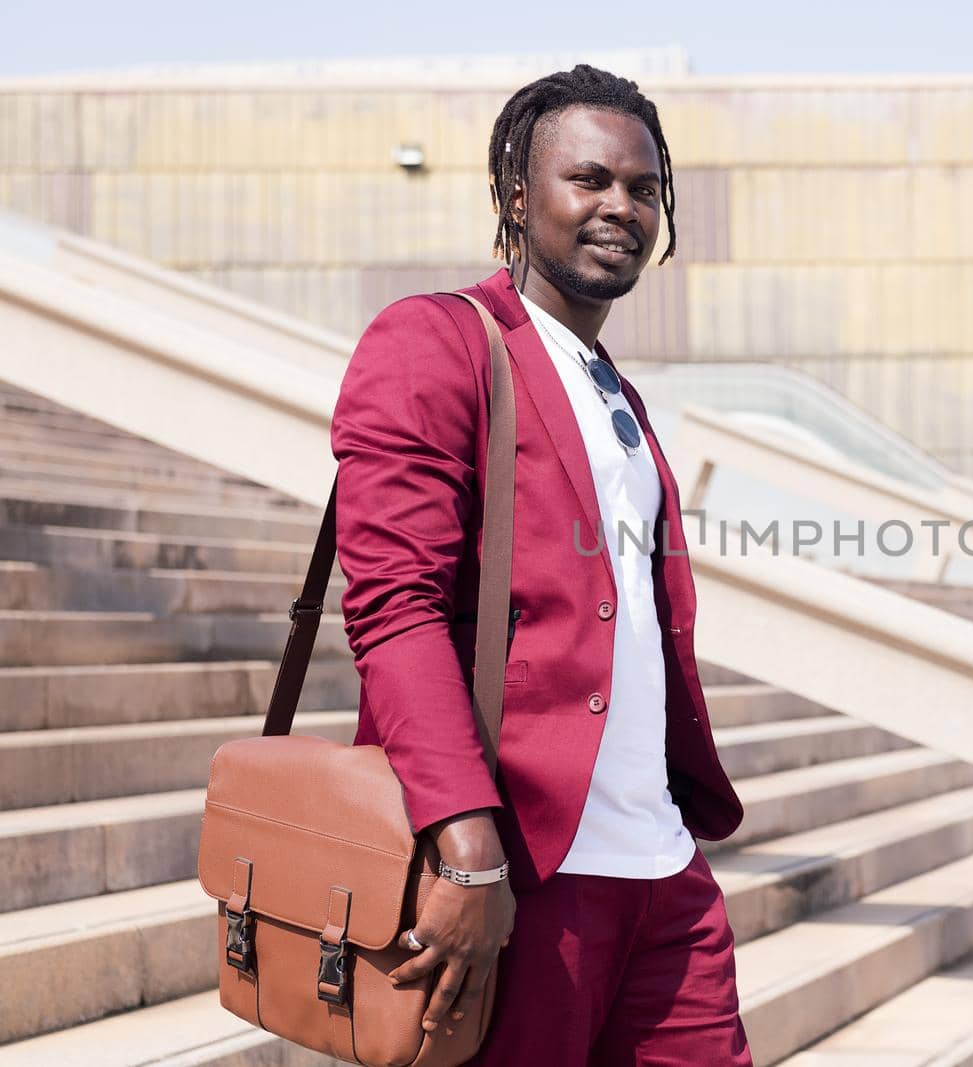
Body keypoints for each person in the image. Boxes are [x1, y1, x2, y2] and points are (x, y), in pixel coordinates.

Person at [330, 65, 751, 1065]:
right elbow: (396, 605)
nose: (622, 206)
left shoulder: (616, 389)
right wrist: (467, 845)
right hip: (524, 866)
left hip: (660, 871)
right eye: (591, 179)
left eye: (645, 188)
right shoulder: (437, 341)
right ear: (518, 195)